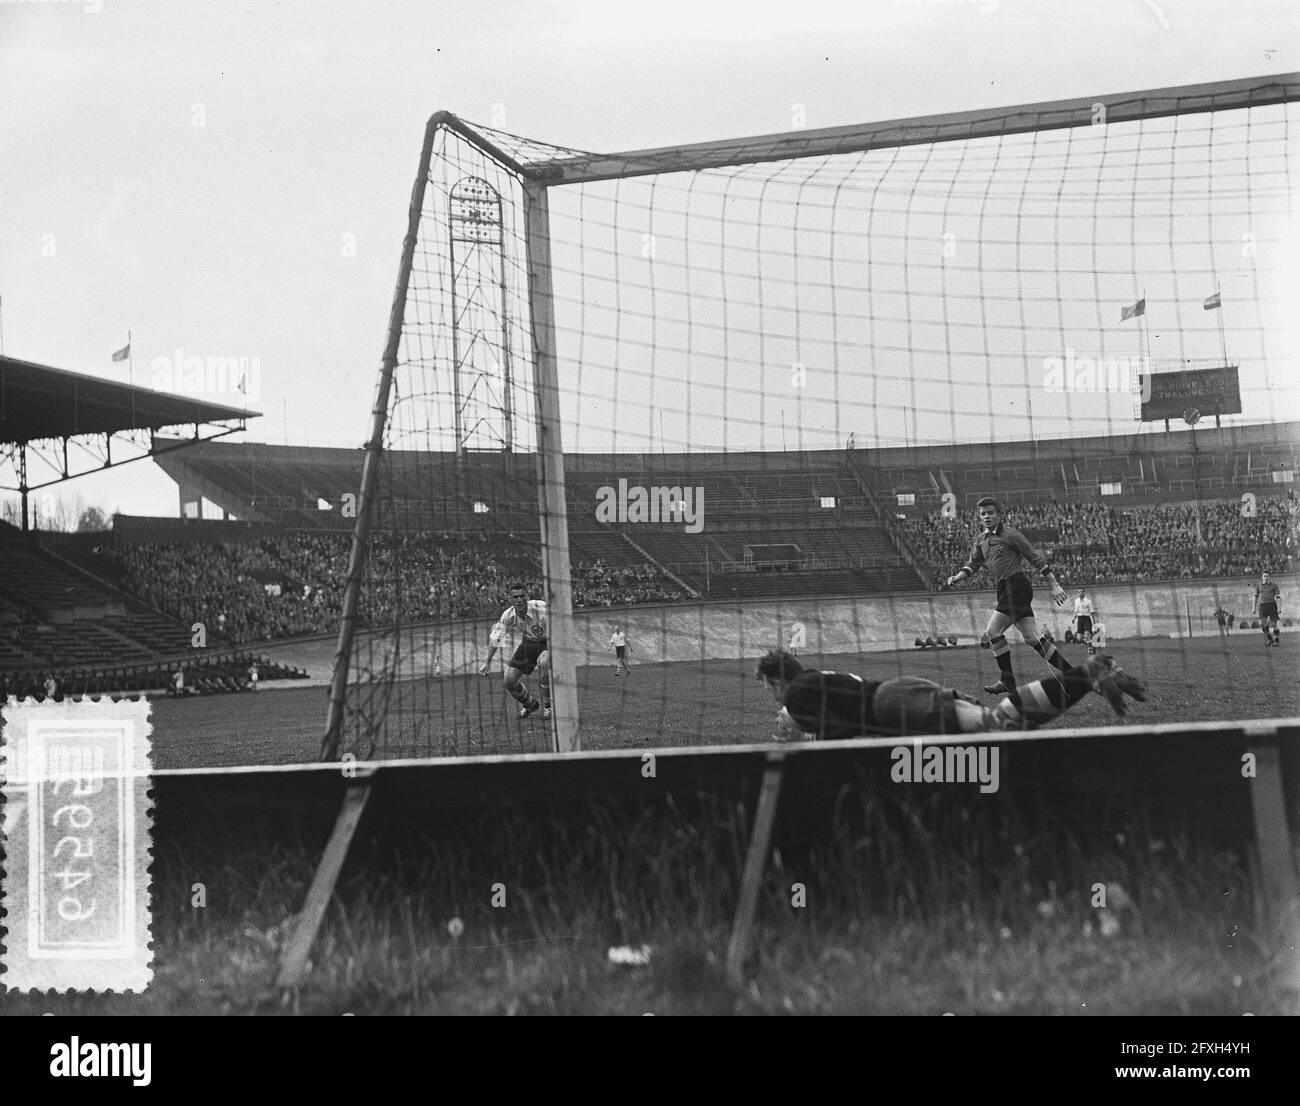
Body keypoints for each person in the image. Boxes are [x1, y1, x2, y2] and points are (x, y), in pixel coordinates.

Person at [755, 648, 1146, 741]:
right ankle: (1088, 676)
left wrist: (801, 733)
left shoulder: (796, 698)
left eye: (769, 688)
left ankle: (1088, 673)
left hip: (892, 707)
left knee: (998, 725)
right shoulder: (813, 677)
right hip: (896, 694)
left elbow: (842, 732)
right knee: (1001, 730)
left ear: (776, 682)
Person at [945, 497, 1069, 694]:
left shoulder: (1010, 534)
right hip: (1004, 588)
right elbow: (973, 564)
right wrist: (958, 577)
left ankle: (1008, 681)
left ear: (999, 515)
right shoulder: (981, 540)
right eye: (983, 514)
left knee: (993, 632)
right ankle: (1072, 674)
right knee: (1032, 638)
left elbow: (1034, 556)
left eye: (990, 513)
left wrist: (1054, 585)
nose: (986, 517)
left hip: (1017, 585)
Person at [480, 583, 551, 719]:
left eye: (521, 596)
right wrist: (487, 662)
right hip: (529, 643)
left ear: (526, 597)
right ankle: (530, 704)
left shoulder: (541, 608)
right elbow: (496, 638)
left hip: (547, 642)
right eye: (515, 597)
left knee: (544, 663)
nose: (519, 600)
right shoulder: (507, 615)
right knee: (508, 680)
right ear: (510, 599)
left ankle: (549, 707)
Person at [1253, 571, 1282, 647]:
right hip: (1263, 606)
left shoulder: (1274, 585)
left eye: (1267, 576)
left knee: (1274, 623)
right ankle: (1269, 639)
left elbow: (1278, 597)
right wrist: (1254, 608)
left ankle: (1276, 641)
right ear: (1262, 577)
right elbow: (1255, 597)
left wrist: (1279, 608)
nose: (1266, 577)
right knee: (1261, 623)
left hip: (1272, 605)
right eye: (1264, 576)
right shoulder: (1259, 586)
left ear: (1270, 577)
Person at [1072, 588, 1097, 655]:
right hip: (1080, 619)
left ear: (1084, 592)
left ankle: (1091, 652)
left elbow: (1092, 612)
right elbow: (1076, 610)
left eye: (1081, 592)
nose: (1080, 593)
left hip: (1086, 618)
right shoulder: (1076, 601)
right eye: (1079, 592)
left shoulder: (1088, 601)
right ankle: (1092, 645)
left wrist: (1094, 622)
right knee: (1079, 638)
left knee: (1087, 635)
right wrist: (1074, 618)